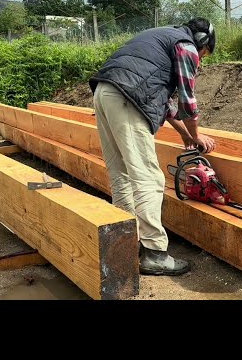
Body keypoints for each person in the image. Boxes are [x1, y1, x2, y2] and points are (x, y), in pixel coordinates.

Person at [88, 17, 217, 276]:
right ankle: (155, 253)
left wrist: (186, 137)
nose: (201, 60)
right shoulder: (187, 46)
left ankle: (124, 244)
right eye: (204, 54)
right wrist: (197, 135)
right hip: (128, 98)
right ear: (202, 42)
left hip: (105, 93)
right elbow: (187, 101)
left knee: (121, 175)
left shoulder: (160, 37)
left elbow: (165, 105)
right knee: (149, 178)